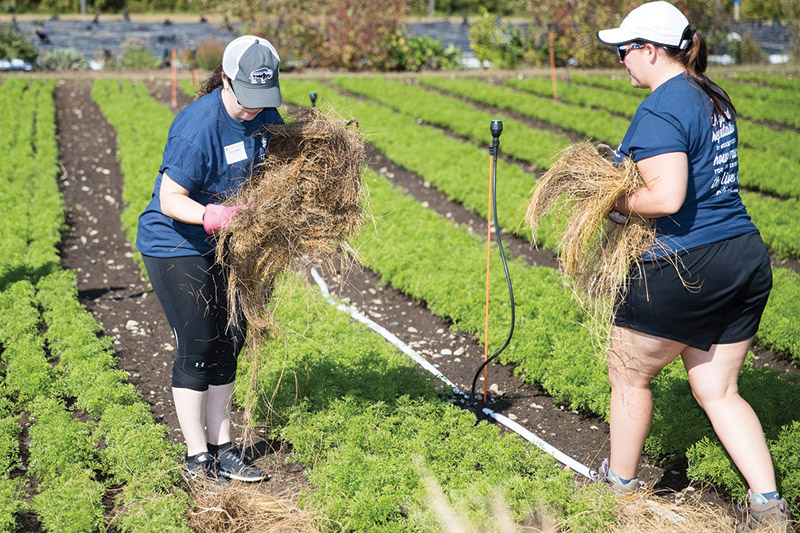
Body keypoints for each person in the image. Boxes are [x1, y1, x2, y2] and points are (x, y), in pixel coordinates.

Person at [596, 2, 790, 531]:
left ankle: (618, 493)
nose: (621, 61)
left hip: (687, 263)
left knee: (628, 374)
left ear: (651, 51)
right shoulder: (710, 93)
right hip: (744, 257)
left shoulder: (661, 108)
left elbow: (668, 197)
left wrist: (613, 204)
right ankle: (768, 505)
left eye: (624, 50)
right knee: (718, 390)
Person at [136, 35, 283, 483]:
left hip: (228, 242)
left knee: (230, 340)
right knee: (199, 341)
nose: (254, 108)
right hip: (177, 241)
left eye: (263, 98)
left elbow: (275, 166)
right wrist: (212, 214)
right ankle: (197, 457)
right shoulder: (197, 126)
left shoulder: (265, 114)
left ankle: (225, 447)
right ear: (225, 79)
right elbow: (169, 199)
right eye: (246, 97)